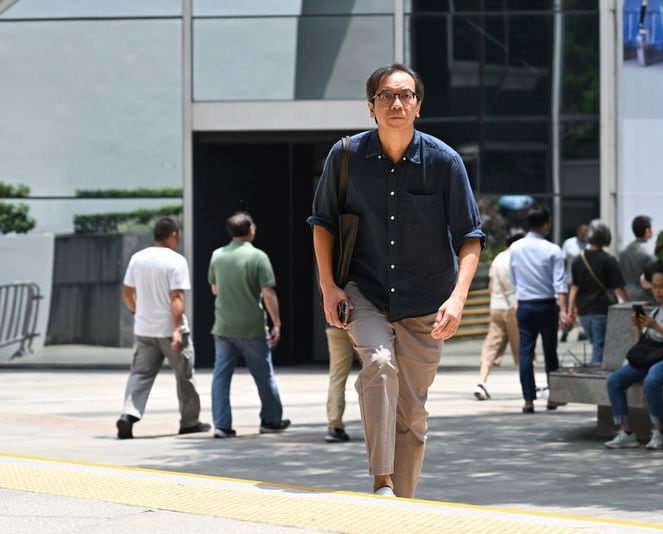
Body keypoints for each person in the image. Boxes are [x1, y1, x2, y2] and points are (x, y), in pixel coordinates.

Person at [308, 63, 484, 498]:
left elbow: (470, 237)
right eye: (386, 96)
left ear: (418, 106)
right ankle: (381, 480)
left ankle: (399, 509)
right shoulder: (345, 156)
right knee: (380, 364)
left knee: (413, 416)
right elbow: (323, 223)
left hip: (427, 300)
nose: (396, 104)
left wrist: (458, 299)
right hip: (364, 291)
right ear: (371, 107)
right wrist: (328, 287)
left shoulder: (444, 162)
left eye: (405, 95)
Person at [117, 216, 210, 439]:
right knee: (184, 376)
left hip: (144, 330)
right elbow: (176, 297)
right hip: (170, 331)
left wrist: (135, 311)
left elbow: (127, 292)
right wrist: (177, 329)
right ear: (174, 235)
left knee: (140, 374)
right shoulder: (176, 261)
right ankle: (189, 422)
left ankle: (128, 415)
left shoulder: (137, 258)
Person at [208, 212, 290, 438]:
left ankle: (222, 426)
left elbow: (214, 289)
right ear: (250, 229)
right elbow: (268, 293)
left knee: (221, 376)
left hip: (223, 326)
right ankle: (271, 420)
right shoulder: (258, 257)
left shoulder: (217, 255)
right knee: (264, 374)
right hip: (252, 327)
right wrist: (277, 323)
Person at [604, 262, 663, 450]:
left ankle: (658, 431)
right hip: (651, 355)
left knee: (652, 379)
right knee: (614, 380)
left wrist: (657, 327)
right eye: (654, 287)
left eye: (662, 286)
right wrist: (638, 326)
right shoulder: (658, 309)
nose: (658, 292)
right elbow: (642, 342)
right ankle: (625, 431)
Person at [509, 205, 570, 413]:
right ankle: (553, 397)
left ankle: (528, 399)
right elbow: (559, 283)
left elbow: (514, 278)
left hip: (525, 305)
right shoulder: (553, 249)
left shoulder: (515, 248)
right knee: (550, 351)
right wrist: (563, 310)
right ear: (546, 224)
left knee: (525, 352)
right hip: (546, 305)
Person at [473, 230, 526, 401]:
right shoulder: (518, 259)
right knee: (522, 347)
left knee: (491, 346)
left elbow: (491, 286)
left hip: (496, 307)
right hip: (514, 308)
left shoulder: (497, 258)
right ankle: (528, 386)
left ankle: (481, 382)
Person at [567, 220, 628, 364]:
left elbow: (574, 287)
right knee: (599, 347)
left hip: (584, 311)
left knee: (596, 345)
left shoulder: (578, 259)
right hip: (602, 310)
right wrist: (629, 304)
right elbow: (618, 288)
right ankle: (597, 380)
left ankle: (597, 374)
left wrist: (570, 310)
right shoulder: (609, 260)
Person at [325, 325, 357, 442]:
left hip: (335, 325)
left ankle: (334, 426)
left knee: (337, 379)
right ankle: (380, 425)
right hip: (362, 324)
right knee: (375, 378)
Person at [560, 224, 589, 342]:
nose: (584, 236)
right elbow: (562, 261)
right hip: (570, 281)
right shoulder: (569, 243)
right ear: (577, 232)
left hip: (585, 282)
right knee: (569, 308)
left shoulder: (590, 245)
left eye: (586, 233)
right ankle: (565, 331)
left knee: (583, 307)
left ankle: (582, 331)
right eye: (582, 233)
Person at [619, 215, 655, 302]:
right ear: (647, 231)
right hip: (646, 299)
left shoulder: (623, 252)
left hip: (627, 298)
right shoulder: (650, 252)